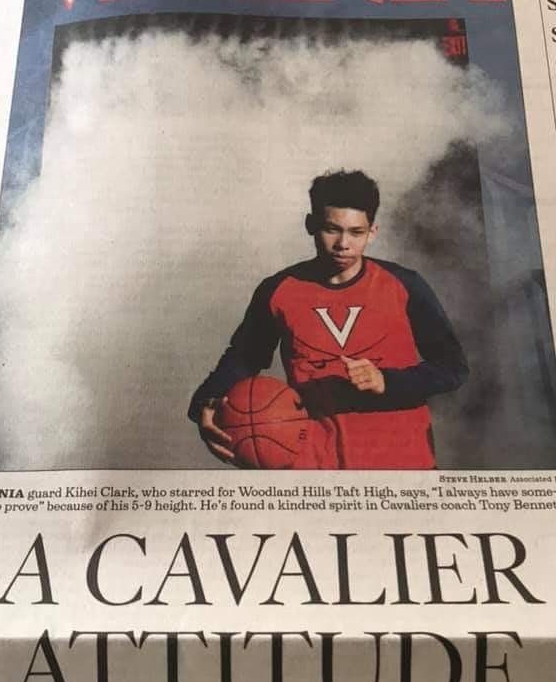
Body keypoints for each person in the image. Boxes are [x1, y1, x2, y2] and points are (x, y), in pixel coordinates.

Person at [188, 170, 468, 469]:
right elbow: (243, 359)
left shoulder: (404, 285)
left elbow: (453, 368)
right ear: (311, 225)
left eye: (356, 232)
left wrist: (387, 381)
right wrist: (208, 401)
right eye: (331, 229)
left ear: (373, 231)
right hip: (316, 470)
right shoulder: (279, 290)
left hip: (402, 467)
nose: (343, 244)